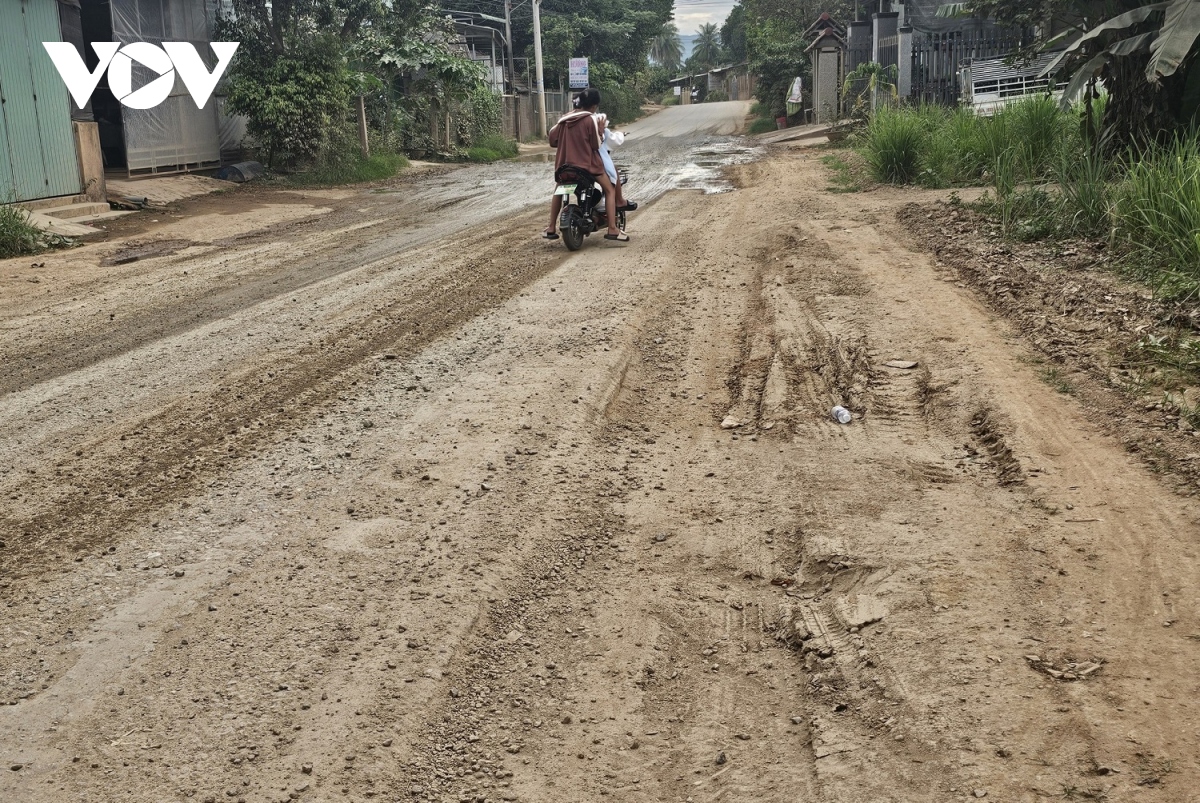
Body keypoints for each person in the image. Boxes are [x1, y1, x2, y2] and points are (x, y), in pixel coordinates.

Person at [543, 87, 628, 242]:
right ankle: (612, 228)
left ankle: (550, 227)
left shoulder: (564, 119)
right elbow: (596, 145)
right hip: (587, 168)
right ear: (594, 106)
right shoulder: (590, 120)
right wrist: (601, 132)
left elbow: (552, 140)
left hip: (565, 168)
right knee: (609, 189)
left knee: (558, 191)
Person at [594, 112, 636, 213]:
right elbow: (614, 140)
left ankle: (552, 224)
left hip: (569, 165)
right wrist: (621, 134)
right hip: (592, 165)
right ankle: (619, 203)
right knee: (610, 187)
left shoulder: (569, 124)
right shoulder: (598, 128)